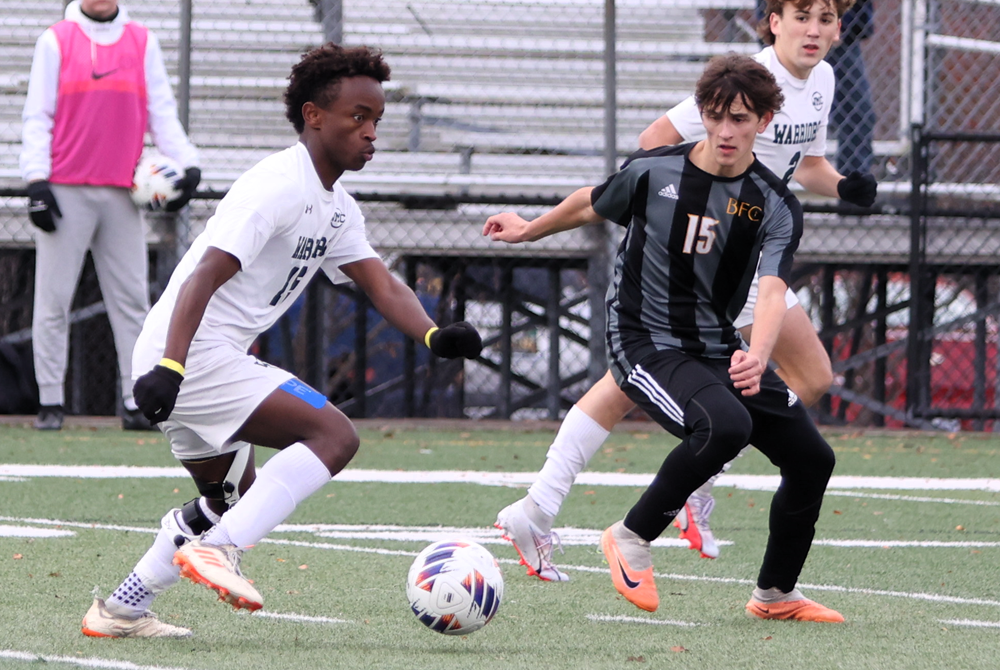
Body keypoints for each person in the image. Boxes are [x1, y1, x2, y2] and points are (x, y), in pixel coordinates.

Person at [80, 43, 483, 638]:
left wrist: (433, 333)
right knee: (334, 435)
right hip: (192, 355)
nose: (371, 132)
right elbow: (203, 275)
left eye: (377, 121)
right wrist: (171, 364)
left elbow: (380, 282)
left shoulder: (338, 206)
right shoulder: (276, 184)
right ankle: (220, 550)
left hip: (190, 358)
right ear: (314, 116)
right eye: (358, 117)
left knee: (227, 500)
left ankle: (119, 610)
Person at [489, 0, 877, 581]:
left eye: (825, 18)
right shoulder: (742, 80)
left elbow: (804, 165)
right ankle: (618, 499)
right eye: (802, 16)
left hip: (753, 255)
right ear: (774, 21)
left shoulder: (819, 81)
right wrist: (677, 211)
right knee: (655, 384)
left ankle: (553, 506)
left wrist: (844, 186)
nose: (814, 30)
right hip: (712, 256)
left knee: (805, 382)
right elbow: (652, 145)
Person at [20, 0, 201, 432]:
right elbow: (37, 116)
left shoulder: (142, 42)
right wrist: (36, 181)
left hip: (124, 193)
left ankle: (134, 400)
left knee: (132, 301)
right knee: (52, 301)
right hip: (65, 190)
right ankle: (50, 402)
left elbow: (161, 112)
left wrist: (188, 162)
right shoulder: (55, 40)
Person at [826, 0, 875, 175]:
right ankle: (763, 191)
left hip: (840, 42)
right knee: (776, 113)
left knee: (858, 115)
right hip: (789, 39)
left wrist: (844, 28)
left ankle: (853, 193)